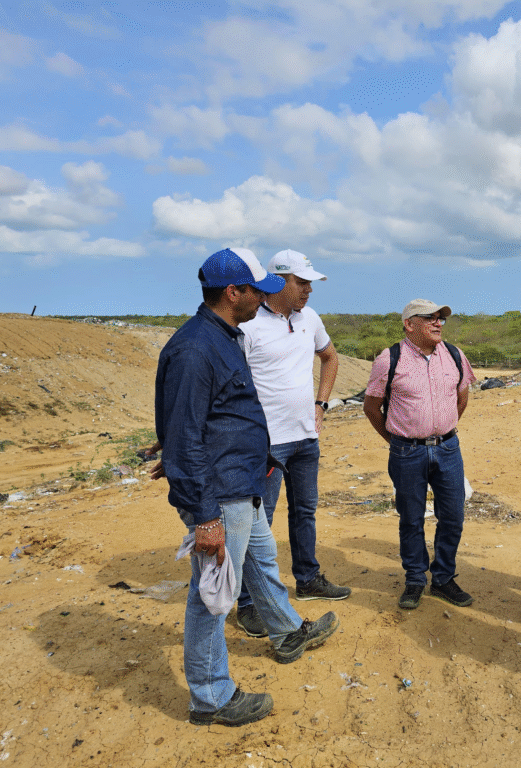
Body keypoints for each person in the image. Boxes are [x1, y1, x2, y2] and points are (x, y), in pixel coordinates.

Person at [155, 247, 339, 726]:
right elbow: (186, 431)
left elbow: (197, 421)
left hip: (243, 479)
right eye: (256, 289)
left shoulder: (222, 336)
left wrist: (176, 452)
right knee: (213, 596)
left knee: (262, 558)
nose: (262, 296)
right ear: (232, 292)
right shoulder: (196, 349)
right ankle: (212, 697)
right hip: (220, 494)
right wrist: (204, 515)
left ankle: (285, 632)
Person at [232, 249, 350, 639]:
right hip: (266, 445)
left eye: (310, 284)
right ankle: (248, 605)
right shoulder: (249, 324)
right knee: (258, 525)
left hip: (305, 437)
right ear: (279, 281)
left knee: (305, 511)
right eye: (302, 283)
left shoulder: (309, 319)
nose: (308, 291)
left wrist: (321, 403)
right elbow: (233, 383)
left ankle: (308, 578)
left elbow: (330, 358)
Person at [362, 299, 477, 610]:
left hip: (448, 449)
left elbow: (461, 398)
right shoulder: (390, 359)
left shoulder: (454, 355)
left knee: (452, 515)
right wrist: (396, 440)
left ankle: (443, 578)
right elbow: (371, 407)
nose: (438, 322)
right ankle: (415, 579)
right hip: (406, 452)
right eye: (430, 318)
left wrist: (442, 431)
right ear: (409, 324)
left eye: (441, 318)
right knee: (411, 518)